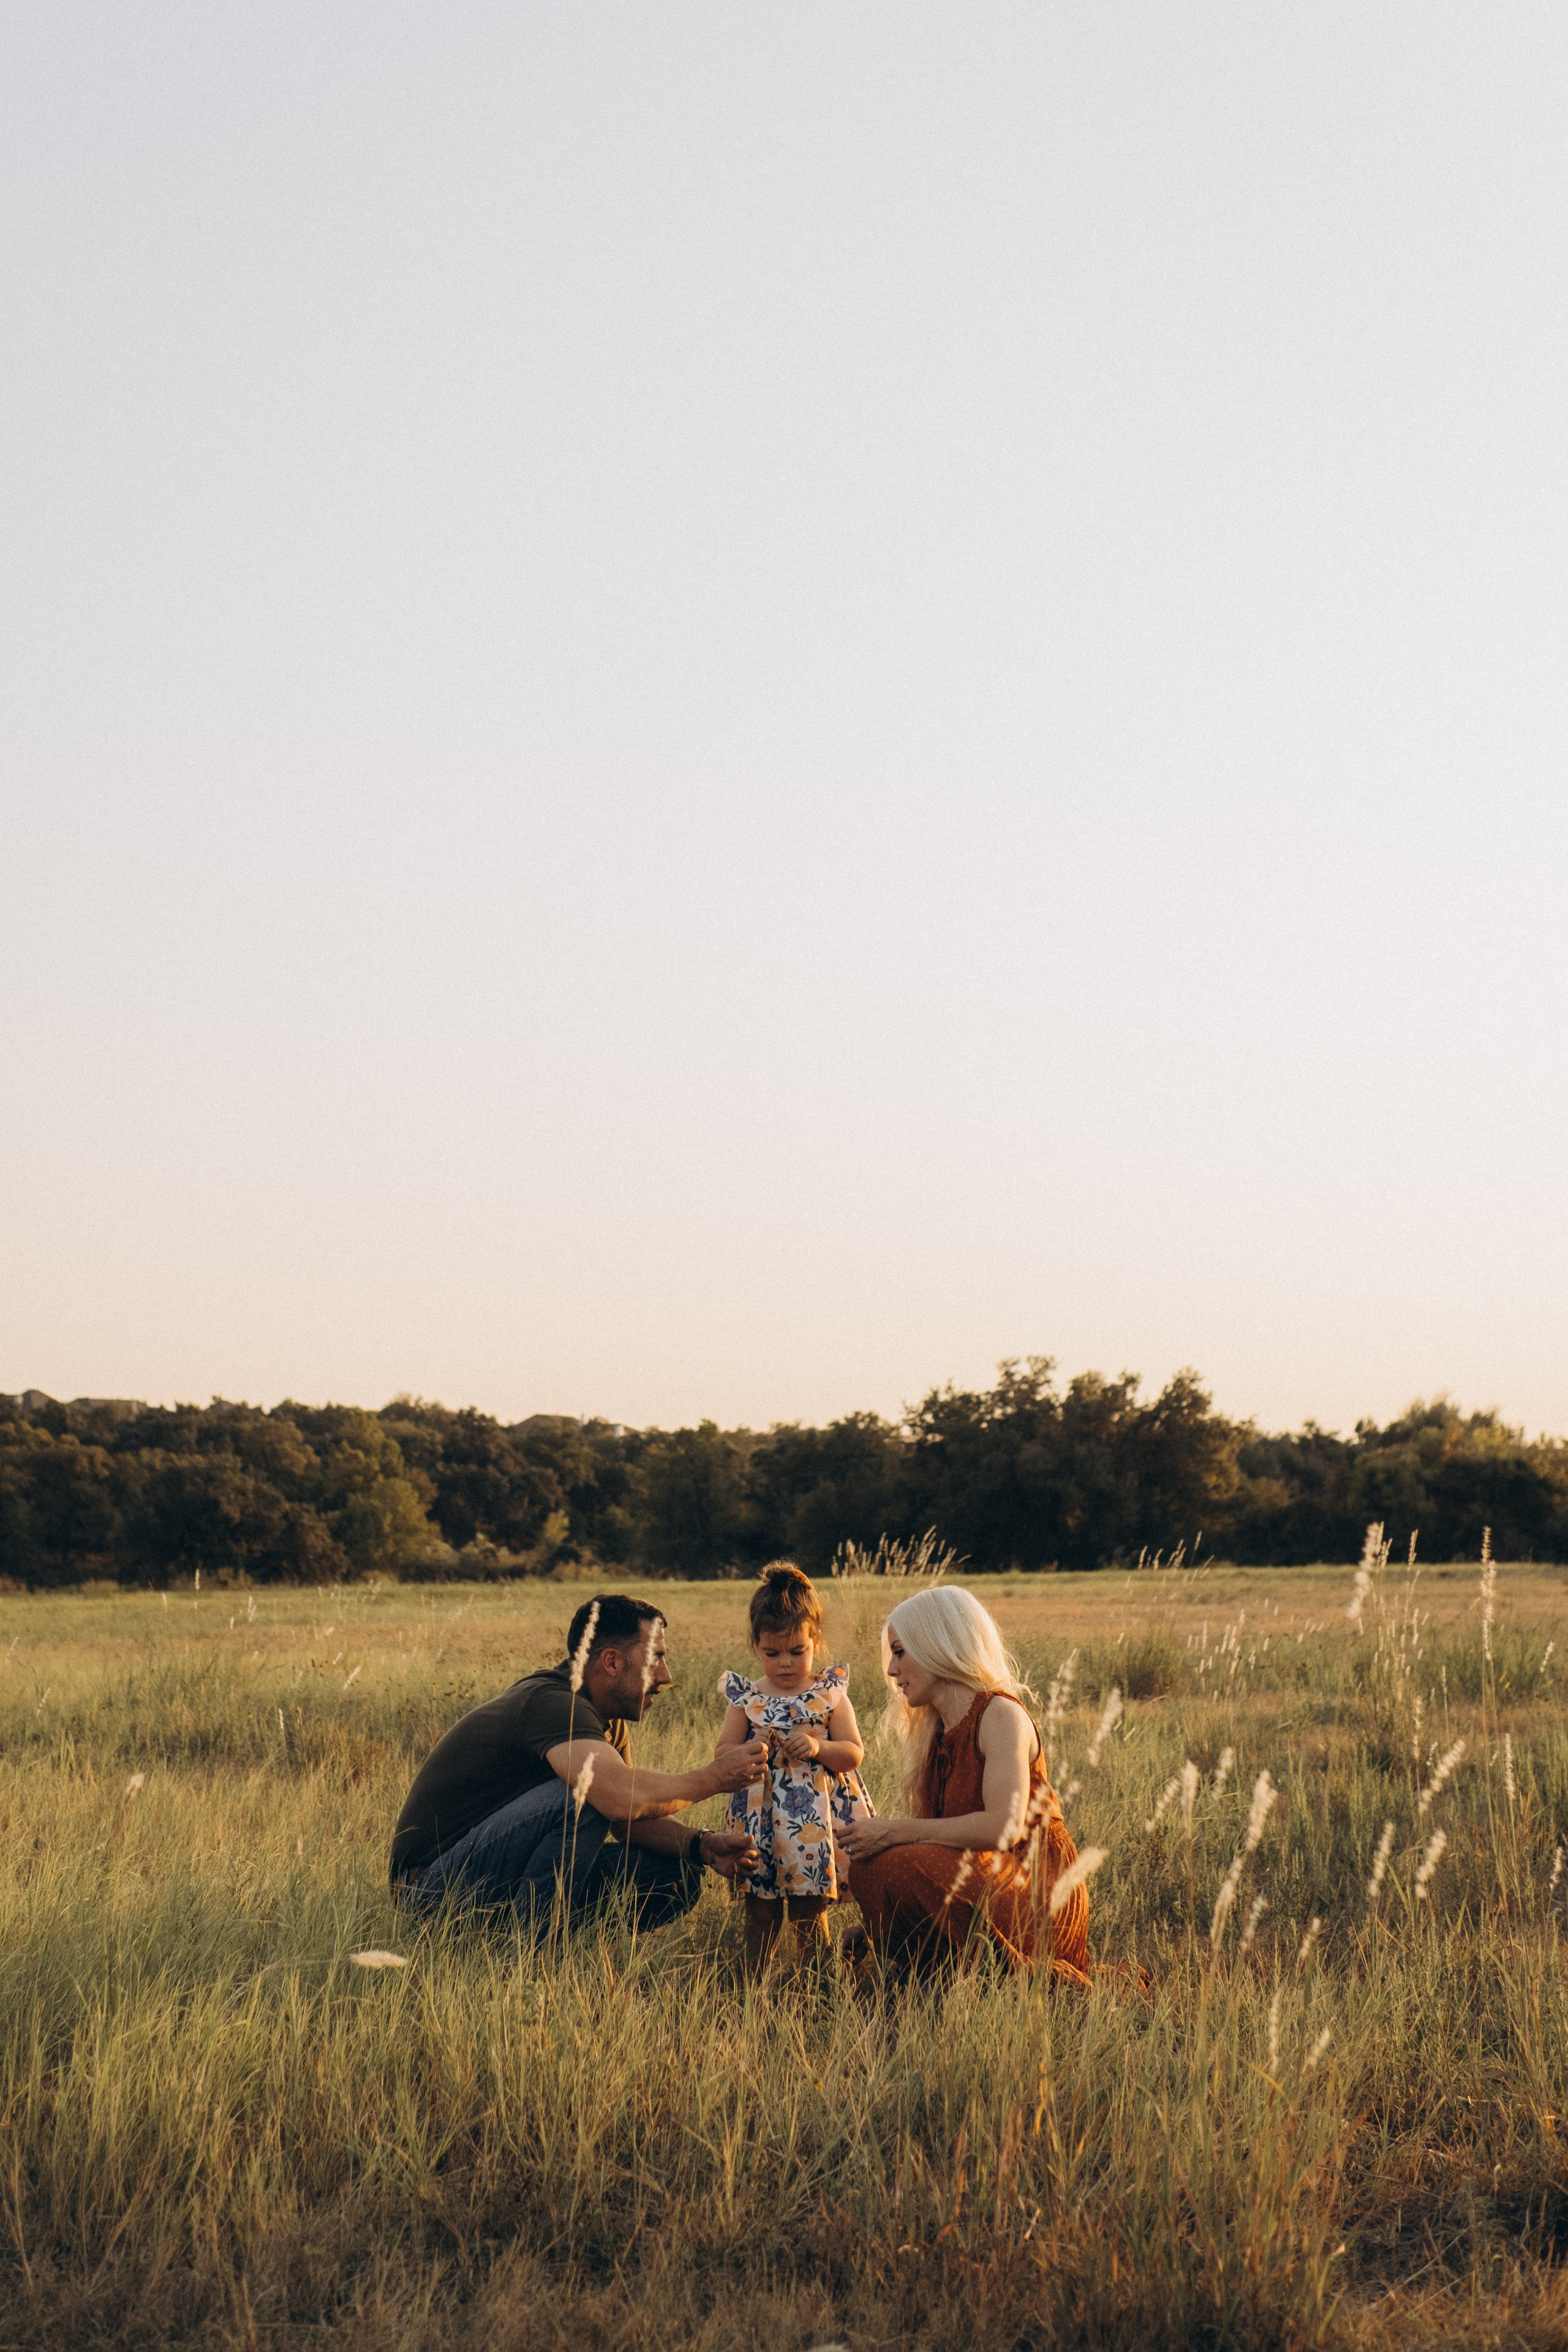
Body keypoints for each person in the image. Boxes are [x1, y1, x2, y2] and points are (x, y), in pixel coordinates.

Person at [391, 1594, 761, 1932]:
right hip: (431, 1889)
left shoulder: (604, 1716)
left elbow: (628, 1819)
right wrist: (715, 1778)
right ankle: (528, 1955)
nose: (666, 1676)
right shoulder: (554, 1703)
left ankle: (512, 1937)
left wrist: (703, 1846)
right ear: (612, 1662)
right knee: (583, 1794)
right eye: (656, 1658)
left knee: (675, 1875)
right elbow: (618, 1798)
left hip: (490, 1872)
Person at [836, 1586, 1091, 1986]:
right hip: (985, 1877)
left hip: (1037, 1885)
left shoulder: (1001, 1715)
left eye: (900, 1652)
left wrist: (893, 1830)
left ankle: (1026, 1973)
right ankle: (948, 1975)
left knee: (901, 1858)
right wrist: (877, 1926)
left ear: (938, 1646)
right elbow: (941, 1852)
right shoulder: (934, 1732)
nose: (891, 1671)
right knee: (869, 1866)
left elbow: (1001, 1829)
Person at [714, 1562, 875, 1974]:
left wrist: (819, 1747)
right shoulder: (747, 1699)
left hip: (812, 1827)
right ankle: (750, 1993)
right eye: (772, 1653)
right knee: (760, 1913)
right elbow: (722, 1754)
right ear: (757, 1647)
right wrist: (752, 1747)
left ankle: (816, 1988)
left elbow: (853, 1753)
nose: (785, 1663)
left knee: (809, 1912)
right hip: (759, 1820)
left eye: (797, 1651)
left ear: (815, 1643)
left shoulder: (828, 1695)